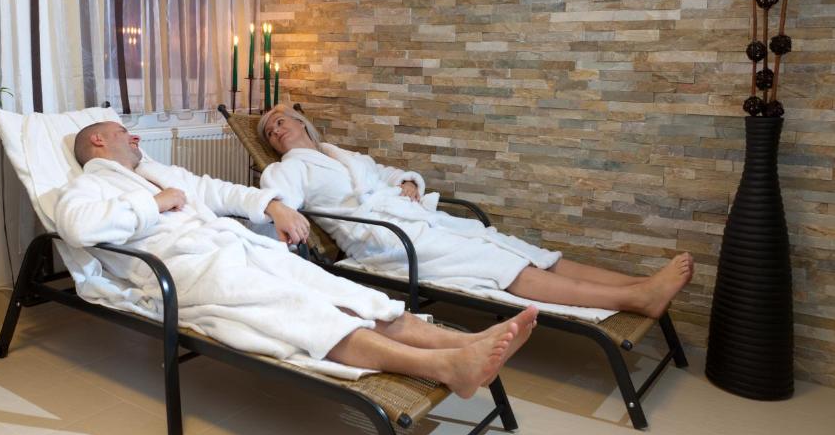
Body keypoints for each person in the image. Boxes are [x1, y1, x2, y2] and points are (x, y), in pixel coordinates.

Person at [54, 121, 536, 398]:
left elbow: (221, 190)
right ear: (97, 142)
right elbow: (77, 227)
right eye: (124, 133)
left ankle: (467, 342)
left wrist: (273, 206)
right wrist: (153, 204)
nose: (136, 139)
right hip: (192, 269)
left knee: (345, 292)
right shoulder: (88, 186)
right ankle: (447, 367)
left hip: (241, 249)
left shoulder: (162, 172)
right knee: (305, 313)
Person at [258, 105, 694, 319]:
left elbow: (385, 174)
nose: (276, 130)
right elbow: (276, 198)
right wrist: (277, 208)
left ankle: (638, 284)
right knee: (494, 262)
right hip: (387, 241)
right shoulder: (288, 168)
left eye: (280, 121)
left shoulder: (339, 153)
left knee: (512, 246)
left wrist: (407, 182)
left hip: (417, 221)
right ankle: (634, 299)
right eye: (268, 132)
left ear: (301, 122)